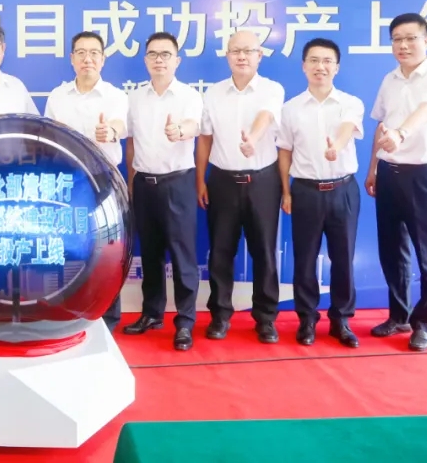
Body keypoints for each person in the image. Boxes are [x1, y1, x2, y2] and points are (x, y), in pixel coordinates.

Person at [365, 12, 427, 352]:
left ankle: (425, 323)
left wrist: (401, 134)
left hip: (423, 175)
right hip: (389, 174)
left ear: (426, 40)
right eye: (396, 39)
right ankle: (399, 315)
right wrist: (373, 168)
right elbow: (381, 126)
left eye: (410, 38)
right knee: (392, 252)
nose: (403, 45)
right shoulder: (389, 79)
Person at [197, 29, 285, 344]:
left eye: (248, 51)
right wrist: (200, 179)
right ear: (227, 56)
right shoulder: (213, 93)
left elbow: (266, 115)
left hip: (263, 180)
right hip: (222, 180)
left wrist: (253, 139)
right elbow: (205, 138)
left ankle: (266, 318)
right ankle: (220, 315)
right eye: (236, 51)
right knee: (221, 252)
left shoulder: (272, 89)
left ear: (260, 55)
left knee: (264, 252)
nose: (242, 56)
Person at [277, 38, 362, 348]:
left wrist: (336, 146)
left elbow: (348, 128)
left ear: (336, 67)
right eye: (314, 60)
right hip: (305, 191)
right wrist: (286, 191)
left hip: (343, 189)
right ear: (304, 66)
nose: (320, 67)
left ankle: (341, 320)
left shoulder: (350, 103)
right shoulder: (290, 108)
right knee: (304, 258)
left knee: (343, 258)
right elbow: (284, 151)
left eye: (327, 61)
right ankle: (307, 319)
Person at [121, 32, 203, 351]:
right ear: (145, 60)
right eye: (153, 54)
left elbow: (194, 126)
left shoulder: (188, 96)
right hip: (144, 183)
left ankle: (184, 322)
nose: (159, 60)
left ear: (177, 60)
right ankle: (152, 313)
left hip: (177, 183)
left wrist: (179, 131)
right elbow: (131, 143)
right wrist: (131, 181)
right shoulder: (135, 98)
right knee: (151, 254)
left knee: (183, 256)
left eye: (166, 54)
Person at [43, 31, 127, 332]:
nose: (87, 59)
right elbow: (49, 136)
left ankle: (108, 319)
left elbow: (118, 125)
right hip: (67, 183)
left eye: (94, 53)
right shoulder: (57, 96)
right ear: (72, 58)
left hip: (104, 180)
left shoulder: (115, 95)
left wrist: (109, 132)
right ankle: (68, 313)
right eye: (81, 52)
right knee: (69, 250)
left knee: (107, 251)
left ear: (102, 59)